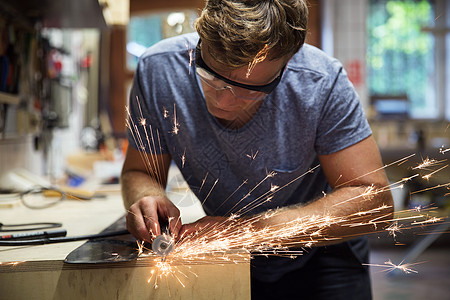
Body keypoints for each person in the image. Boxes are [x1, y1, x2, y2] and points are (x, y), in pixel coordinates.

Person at [121, 0, 393, 299]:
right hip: (228, 254)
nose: (224, 102)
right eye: (210, 76)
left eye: (249, 89)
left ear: (285, 65)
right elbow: (139, 171)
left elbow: (373, 202)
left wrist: (252, 230)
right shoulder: (159, 70)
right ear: (201, 42)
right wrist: (148, 198)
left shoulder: (321, 83)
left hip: (322, 254)